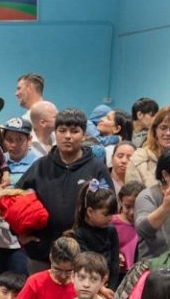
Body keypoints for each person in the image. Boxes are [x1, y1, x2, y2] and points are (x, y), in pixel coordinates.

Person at [15, 109, 110, 269]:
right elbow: (14, 201)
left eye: (74, 131)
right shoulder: (40, 166)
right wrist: (19, 233)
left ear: (84, 135)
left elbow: (109, 210)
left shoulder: (97, 168)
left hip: (83, 257)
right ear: (55, 132)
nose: (67, 136)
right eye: (62, 130)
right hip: (42, 255)